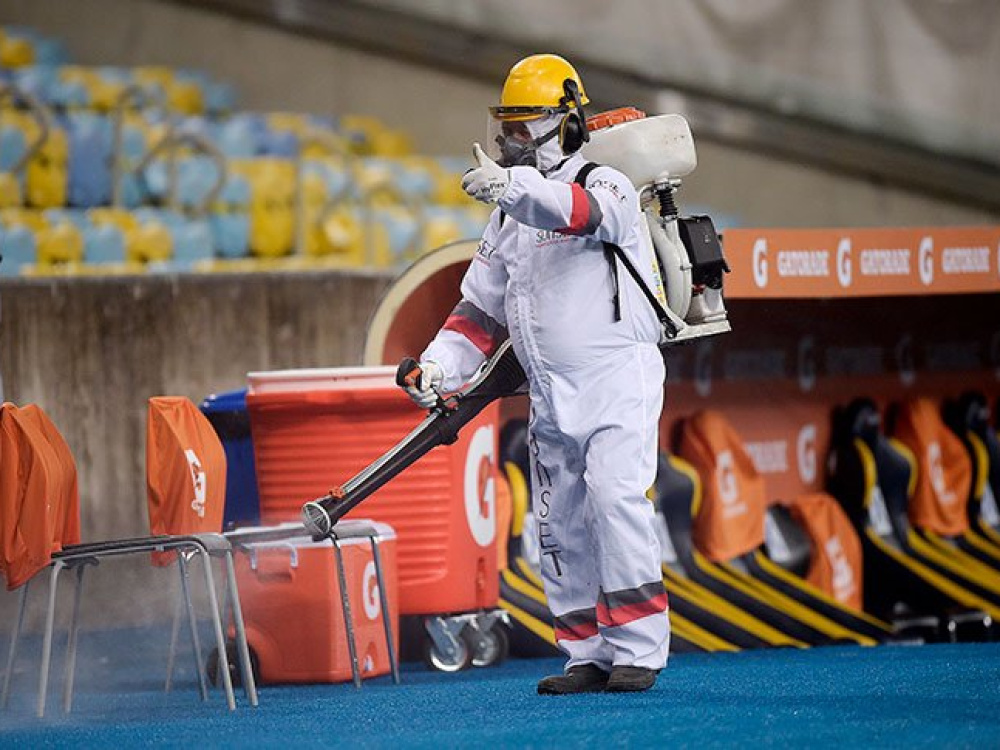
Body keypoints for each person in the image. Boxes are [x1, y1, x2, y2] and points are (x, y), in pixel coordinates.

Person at [402, 54, 670, 694]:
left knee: (615, 502)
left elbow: (582, 214)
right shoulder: (507, 214)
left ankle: (639, 649)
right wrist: (437, 366)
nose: (511, 138)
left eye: (526, 124)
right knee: (559, 525)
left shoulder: (607, 184)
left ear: (569, 122)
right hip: (550, 392)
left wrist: (510, 189)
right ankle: (585, 654)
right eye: (508, 123)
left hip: (616, 381)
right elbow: (478, 310)